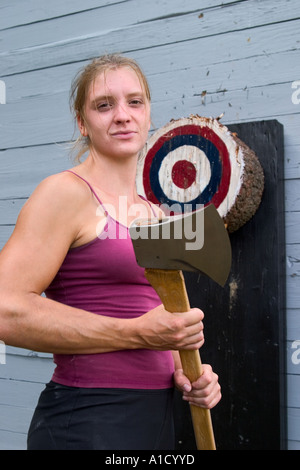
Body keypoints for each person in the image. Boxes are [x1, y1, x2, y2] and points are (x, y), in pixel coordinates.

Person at [0, 54, 221, 450]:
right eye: (104, 105)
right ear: (82, 123)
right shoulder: (65, 193)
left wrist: (188, 372)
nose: (122, 115)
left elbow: (155, 320)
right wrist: (133, 333)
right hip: (89, 417)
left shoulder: (153, 212)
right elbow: (5, 308)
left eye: (134, 102)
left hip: (156, 415)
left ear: (148, 114)